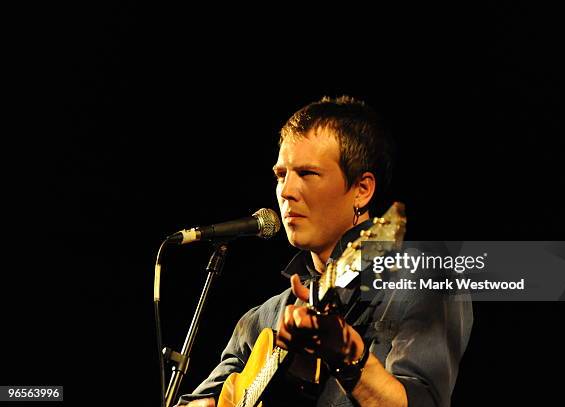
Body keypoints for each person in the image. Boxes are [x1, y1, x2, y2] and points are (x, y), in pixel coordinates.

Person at [176, 96, 473, 407]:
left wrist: (347, 357)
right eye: (281, 175)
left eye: (307, 173)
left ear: (362, 190)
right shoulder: (262, 320)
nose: (287, 192)